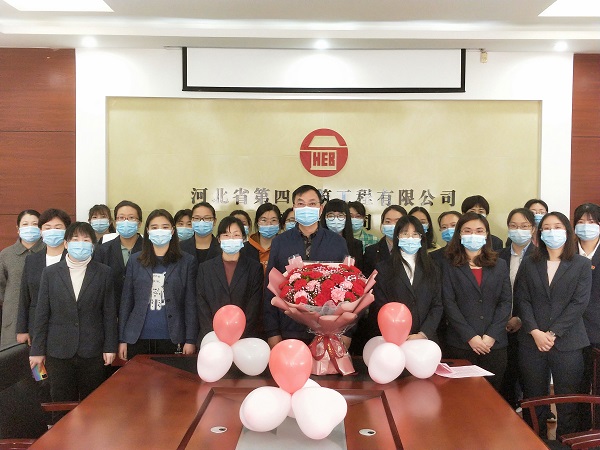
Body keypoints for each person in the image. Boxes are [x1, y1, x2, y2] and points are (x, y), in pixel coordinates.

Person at [514, 211, 591, 438]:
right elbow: (522, 299)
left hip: (568, 342)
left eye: (557, 227)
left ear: (567, 231)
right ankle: (534, 441)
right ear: (539, 233)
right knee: (534, 399)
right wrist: (535, 331)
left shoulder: (581, 264)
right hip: (532, 342)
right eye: (546, 228)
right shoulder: (529, 263)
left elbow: (579, 303)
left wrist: (553, 332)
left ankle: (565, 442)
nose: (551, 232)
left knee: (567, 402)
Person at [29, 222, 117, 405]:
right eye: (75, 239)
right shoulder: (50, 273)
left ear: (93, 245)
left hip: (93, 349)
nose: (80, 243)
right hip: (58, 350)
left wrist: (110, 346)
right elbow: (42, 313)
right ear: (66, 244)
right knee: (60, 402)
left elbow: (109, 313)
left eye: (86, 240)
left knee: (93, 403)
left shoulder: (104, 273)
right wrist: (37, 350)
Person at [264, 185, 348, 348]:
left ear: (320, 208)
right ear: (294, 208)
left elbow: (349, 288)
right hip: (289, 328)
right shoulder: (280, 242)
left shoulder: (337, 243)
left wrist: (346, 333)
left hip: (329, 331)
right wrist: (272, 332)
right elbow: (270, 289)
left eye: (312, 203)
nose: (306, 208)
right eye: (301, 204)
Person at [441, 211, 512, 391]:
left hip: (494, 345)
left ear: (486, 234)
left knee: (493, 394)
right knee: (462, 394)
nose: (473, 235)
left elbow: (505, 302)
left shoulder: (500, 264)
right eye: (467, 230)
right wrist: (470, 337)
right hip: (461, 344)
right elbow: (449, 303)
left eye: (479, 231)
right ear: (459, 234)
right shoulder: (448, 265)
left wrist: (491, 336)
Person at [119, 209, 198, 360]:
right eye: (154, 227)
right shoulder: (135, 261)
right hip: (137, 337)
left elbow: (190, 303)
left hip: (172, 337)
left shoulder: (187, 261)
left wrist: (190, 339)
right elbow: (126, 301)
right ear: (147, 231)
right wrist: (122, 339)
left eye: (165, 227)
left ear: (172, 230)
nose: (160, 231)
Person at [370, 215, 443, 342]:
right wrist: (399, 332)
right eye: (405, 233)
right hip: (393, 336)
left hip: (425, 339)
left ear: (421, 238)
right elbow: (381, 304)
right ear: (397, 237)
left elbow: (437, 305)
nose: (410, 238)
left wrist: (424, 333)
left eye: (415, 234)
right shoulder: (384, 268)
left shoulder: (433, 267)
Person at [197, 216, 264, 340]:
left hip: (245, 337)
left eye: (236, 235)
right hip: (213, 338)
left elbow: (254, 307)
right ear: (219, 239)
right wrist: (214, 335)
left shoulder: (255, 268)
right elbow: (202, 305)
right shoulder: (205, 268)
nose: (231, 239)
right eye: (226, 235)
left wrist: (238, 334)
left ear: (243, 238)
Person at [497, 208, 536, 408]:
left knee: (530, 379)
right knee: (506, 377)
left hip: (530, 328)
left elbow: (538, 296)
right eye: (513, 226)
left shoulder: (540, 256)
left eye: (524, 226)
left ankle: (530, 420)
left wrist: (520, 318)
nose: (518, 230)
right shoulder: (498, 256)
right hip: (501, 326)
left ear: (533, 229)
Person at [16, 208, 71, 346]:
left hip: (67, 326)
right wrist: (22, 329)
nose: (52, 231)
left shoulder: (74, 259)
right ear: (41, 231)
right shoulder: (32, 260)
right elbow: (24, 296)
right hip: (37, 326)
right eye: (48, 227)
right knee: (37, 360)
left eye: (58, 227)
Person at [573, 202, 600, 429]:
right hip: (571, 333)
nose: (586, 226)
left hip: (599, 334)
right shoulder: (566, 253)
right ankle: (579, 434)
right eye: (581, 222)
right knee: (576, 389)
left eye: (591, 222)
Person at [0, 209, 44, 349]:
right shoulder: (6, 254)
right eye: (25, 224)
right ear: (18, 229)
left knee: (40, 359)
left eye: (35, 224)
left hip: (42, 316)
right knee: (12, 358)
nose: (30, 228)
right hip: (13, 319)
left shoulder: (48, 252)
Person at [93, 200, 144, 315]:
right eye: (121, 218)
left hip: (141, 311)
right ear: (115, 222)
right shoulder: (103, 250)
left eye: (131, 218)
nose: (126, 222)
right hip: (111, 311)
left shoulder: (149, 249)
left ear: (139, 223)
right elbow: (98, 285)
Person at [363, 205, 407, 277]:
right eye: (388, 222)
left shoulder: (412, 250)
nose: (393, 226)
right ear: (382, 224)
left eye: (397, 222)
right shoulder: (371, 251)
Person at [320, 199, 364, 270]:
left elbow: (358, 271)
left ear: (347, 218)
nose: (336, 219)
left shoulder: (356, 244)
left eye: (340, 215)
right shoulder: (317, 242)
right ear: (324, 218)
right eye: (331, 215)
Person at [248, 203, 281, 273]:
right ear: (257, 222)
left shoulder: (286, 246)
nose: (269, 224)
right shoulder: (245, 249)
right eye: (264, 220)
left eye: (273, 220)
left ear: (279, 223)